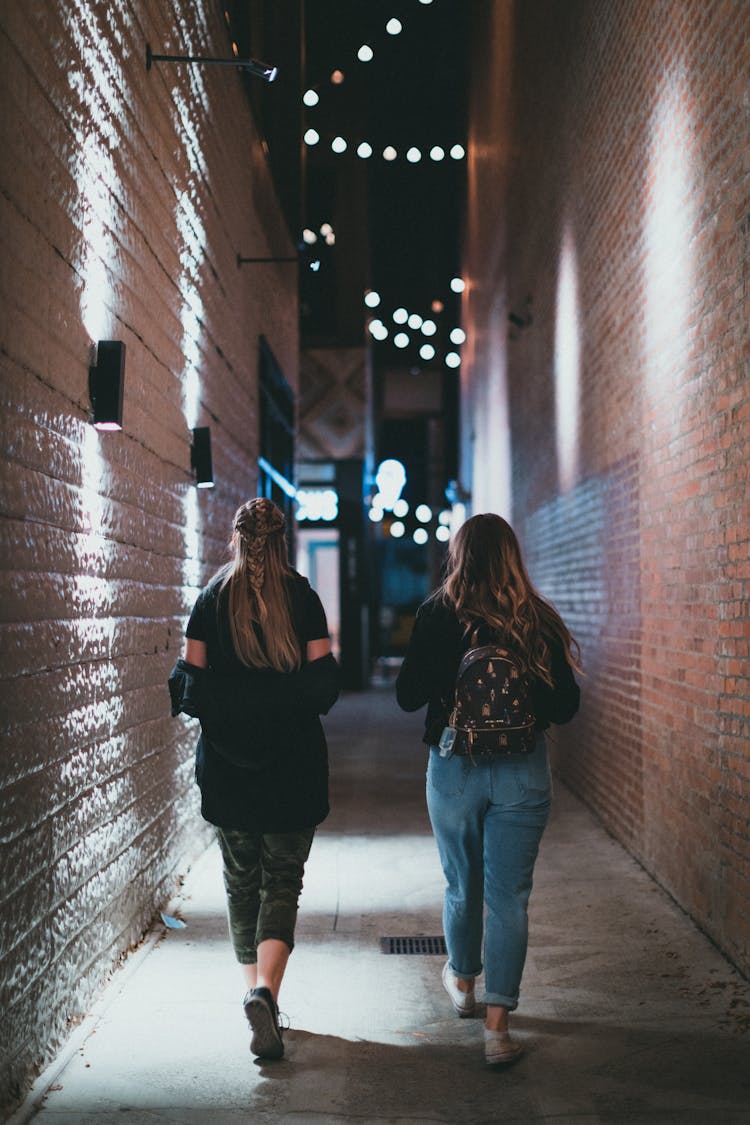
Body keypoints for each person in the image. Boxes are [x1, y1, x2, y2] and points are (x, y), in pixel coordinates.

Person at [396, 513, 580, 1066]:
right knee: (509, 897)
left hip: (454, 767)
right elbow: (565, 706)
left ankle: (464, 984)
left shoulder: (437, 613)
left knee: (461, 884)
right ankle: (498, 1030)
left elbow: (407, 696)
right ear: (512, 557)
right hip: (522, 768)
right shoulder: (537, 618)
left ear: (460, 555)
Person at [169, 498, 340, 1061]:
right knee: (282, 882)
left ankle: (253, 995)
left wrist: (231, 704)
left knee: (241, 883)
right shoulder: (304, 598)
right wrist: (281, 699)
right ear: (282, 540)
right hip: (293, 767)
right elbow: (323, 687)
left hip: (228, 769)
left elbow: (189, 684)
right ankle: (266, 991)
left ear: (237, 539)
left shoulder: (210, 601)